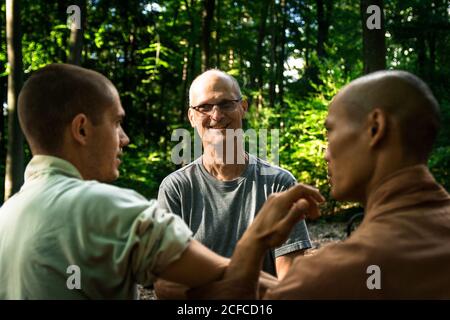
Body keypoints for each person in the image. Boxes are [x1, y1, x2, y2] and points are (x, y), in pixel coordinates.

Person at [0, 63, 323, 299]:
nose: (124, 139)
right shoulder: (112, 206)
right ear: (81, 129)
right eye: (117, 124)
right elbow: (191, 286)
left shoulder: (6, 215)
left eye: (226, 103)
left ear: (243, 108)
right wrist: (257, 238)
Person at [189, 70, 450, 299]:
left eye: (331, 131)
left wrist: (254, 240)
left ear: (376, 128)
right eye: (205, 107)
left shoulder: (344, 269)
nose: (326, 153)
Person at [155, 70, 312, 297]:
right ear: (191, 117)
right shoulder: (176, 189)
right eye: (205, 107)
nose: (216, 115)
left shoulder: (278, 183)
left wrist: (215, 285)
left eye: (226, 104)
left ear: (243, 107)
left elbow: (290, 283)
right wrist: (243, 282)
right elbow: (166, 286)